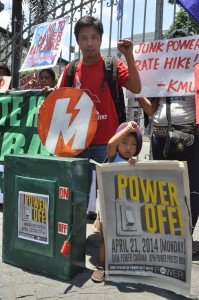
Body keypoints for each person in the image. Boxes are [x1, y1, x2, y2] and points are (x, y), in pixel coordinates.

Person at [58, 15, 141, 219]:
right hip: (78, 144)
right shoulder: (70, 70)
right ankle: (75, 244)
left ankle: (111, 242)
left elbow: (136, 88)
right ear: (77, 41)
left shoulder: (113, 64)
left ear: (101, 39)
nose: (89, 43)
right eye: (84, 38)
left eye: (94, 37)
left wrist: (129, 56)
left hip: (109, 144)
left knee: (113, 196)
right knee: (77, 197)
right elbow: (60, 102)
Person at [138, 29, 199, 257]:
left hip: (189, 137)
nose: (179, 47)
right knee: (161, 188)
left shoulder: (197, 72)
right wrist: (137, 92)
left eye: (183, 43)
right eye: (174, 44)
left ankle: (186, 236)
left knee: (190, 188)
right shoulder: (160, 75)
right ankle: (164, 237)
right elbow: (151, 109)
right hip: (159, 137)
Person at [91, 121, 142, 283]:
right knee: (106, 237)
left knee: (127, 237)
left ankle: (123, 264)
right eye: (124, 142)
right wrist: (128, 128)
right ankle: (101, 266)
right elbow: (110, 143)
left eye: (134, 144)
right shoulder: (113, 157)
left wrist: (135, 167)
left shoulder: (136, 163)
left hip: (127, 210)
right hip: (109, 206)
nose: (129, 147)